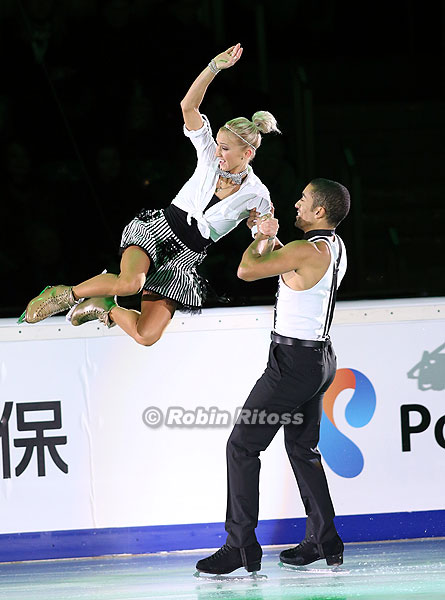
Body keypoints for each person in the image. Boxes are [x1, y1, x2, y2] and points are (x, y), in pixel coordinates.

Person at [19, 43, 280, 346]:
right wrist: (213, 67)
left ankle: (106, 308)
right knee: (130, 282)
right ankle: (62, 295)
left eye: (225, 148)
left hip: (185, 258)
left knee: (147, 335)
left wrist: (263, 232)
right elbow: (188, 107)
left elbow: (258, 232)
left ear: (247, 153)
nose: (218, 152)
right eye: (218, 144)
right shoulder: (208, 154)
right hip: (158, 230)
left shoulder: (258, 194)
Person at [195, 177, 350, 575]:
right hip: (319, 359)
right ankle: (324, 538)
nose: (296, 204)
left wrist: (261, 238)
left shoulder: (306, 249)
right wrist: (266, 237)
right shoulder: (330, 246)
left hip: (292, 366)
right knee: (302, 449)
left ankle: (241, 546)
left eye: (303, 200)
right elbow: (291, 267)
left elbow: (247, 270)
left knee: (242, 447)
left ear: (320, 211)